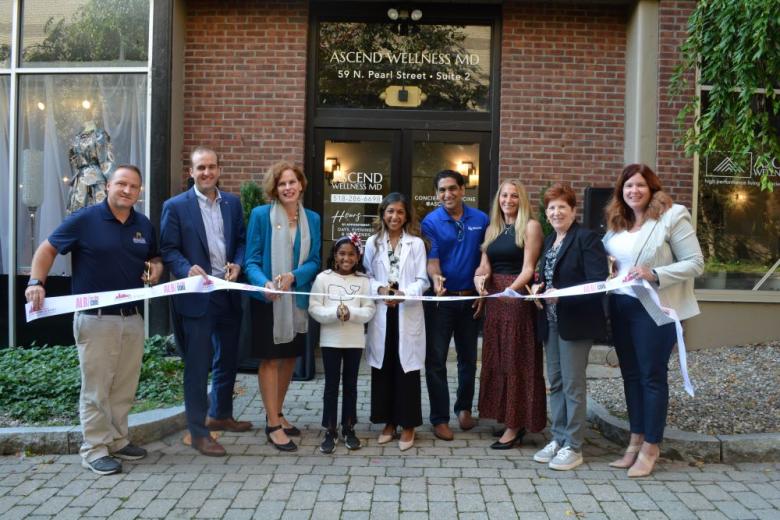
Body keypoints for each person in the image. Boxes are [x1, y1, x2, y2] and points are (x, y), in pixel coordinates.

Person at [25, 165, 162, 475]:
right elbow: (47, 250)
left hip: (132, 318)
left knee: (124, 387)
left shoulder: (143, 224)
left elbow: (154, 258)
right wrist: (36, 282)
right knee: (97, 388)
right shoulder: (84, 220)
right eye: (122, 184)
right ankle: (94, 449)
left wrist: (156, 268)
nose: (128, 190)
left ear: (139, 192)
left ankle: (117, 440)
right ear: (108, 186)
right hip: (96, 320)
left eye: (134, 187)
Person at [603, 164, 703, 477]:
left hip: (655, 310)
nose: (633, 191)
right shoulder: (618, 223)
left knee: (651, 376)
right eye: (627, 186)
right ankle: (635, 438)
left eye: (639, 185)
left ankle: (651, 445)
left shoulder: (672, 216)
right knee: (630, 376)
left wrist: (656, 273)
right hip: (621, 307)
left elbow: (696, 263)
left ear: (652, 188)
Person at [160, 146, 250, 458]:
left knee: (228, 358)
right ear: (191, 172)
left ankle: (221, 413)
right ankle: (199, 433)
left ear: (219, 170)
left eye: (212, 167)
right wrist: (186, 269)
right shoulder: (175, 206)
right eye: (201, 168)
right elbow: (168, 249)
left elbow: (240, 240)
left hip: (227, 292)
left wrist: (237, 264)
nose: (207, 173)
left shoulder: (233, 204)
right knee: (198, 366)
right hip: (197, 296)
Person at [531, 183, 609, 471]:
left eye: (561, 206)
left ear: (573, 210)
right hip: (551, 322)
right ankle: (559, 437)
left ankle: (574, 446)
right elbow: (550, 278)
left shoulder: (586, 239)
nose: (555, 212)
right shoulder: (551, 240)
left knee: (573, 384)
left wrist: (560, 293)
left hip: (576, 322)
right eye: (551, 207)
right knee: (556, 382)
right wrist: (541, 288)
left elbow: (597, 282)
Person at [245, 160, 321, 452]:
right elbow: (251, 259)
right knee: (271, 359)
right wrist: (264, 283)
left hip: (296, 300)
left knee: (289, 358)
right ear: (274, 189)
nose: (288, 187)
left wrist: (294, 277)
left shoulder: (312, 219)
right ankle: (273, 424)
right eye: (282, 183)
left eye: (292, 182)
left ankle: (277, 412)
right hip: (269, 301)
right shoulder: (261, 215)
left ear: (301, 185)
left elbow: (314, 259)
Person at [473, 180, 545, 449]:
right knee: (499, 357)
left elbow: (529, 269)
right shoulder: (493, 227)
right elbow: (484, 264)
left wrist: (509, 291)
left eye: (514, 196)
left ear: (522, 199)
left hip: (515, 299)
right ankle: (507, 415)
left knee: (517, 359)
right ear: (498, 199)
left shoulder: (530, 226)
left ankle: (516, 425)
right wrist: (480, 280)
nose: (508, 200)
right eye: (504, 195)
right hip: (494, 299)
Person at [422, 170, 489, 441]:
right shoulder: (430, 221)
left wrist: (482, 291)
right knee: (435, 360)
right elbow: (433, 260)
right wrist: (436, 280)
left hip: (470, 299)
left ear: (463, 190)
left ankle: (463, 409)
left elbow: (486, 257)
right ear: (437, 194)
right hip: (442, 300)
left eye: (452, 188)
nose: (447, 194)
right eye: (441, 190)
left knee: (468, 359)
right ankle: (439, 418)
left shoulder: (481, 219)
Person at [364, 193, 430, 451]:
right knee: (384, 367)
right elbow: (366, 275)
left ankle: (409, 425)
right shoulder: (373, 243)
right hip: (383, 311)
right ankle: (388, 422)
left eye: (400, 212)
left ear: (406, 216)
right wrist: (381, 291)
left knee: (407, 370)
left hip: (406, 310)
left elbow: (423, 280)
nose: (394, 217)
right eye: (390, 211)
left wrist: (403, 294)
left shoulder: (416, 244)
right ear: (383, 213)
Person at [309, 235, 376, 454]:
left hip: (354, 341)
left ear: (358, 257)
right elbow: (314, 307)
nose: (346, 258)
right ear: (335, 256)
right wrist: (334, 313)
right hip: (330, 340)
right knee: (331, 386)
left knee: (351, 385)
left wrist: (351, 312)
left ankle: (349, 427)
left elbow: (369, 309)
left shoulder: (364, 281)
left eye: (351, 254)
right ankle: (330, 428)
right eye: (342, 253)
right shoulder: (323, 279)